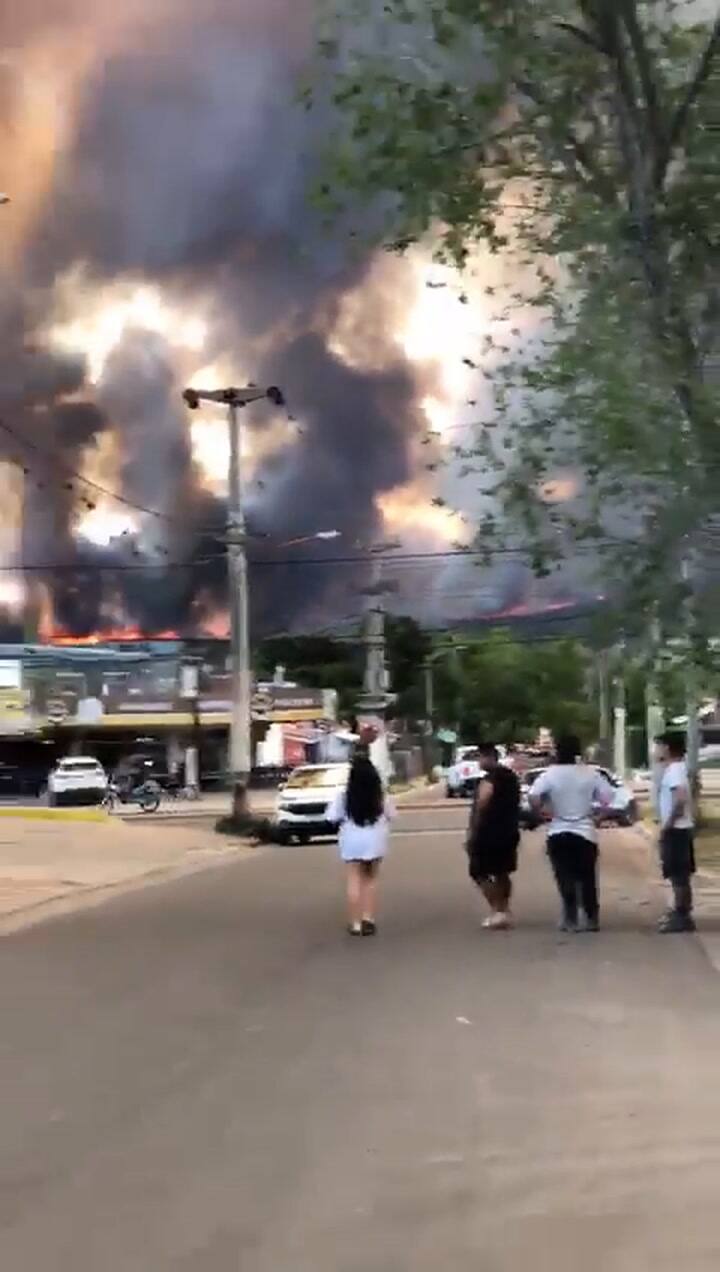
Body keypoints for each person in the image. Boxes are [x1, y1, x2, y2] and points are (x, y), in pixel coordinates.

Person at [529, 736, 614, 932]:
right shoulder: (590, 773)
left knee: (564, 875)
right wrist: (600, 816)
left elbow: (533, 796)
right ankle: (591, 918)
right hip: (585, 831)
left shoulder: (549, 774)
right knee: (587, 877)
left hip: (558, 830)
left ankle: (570, 917)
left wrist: (542, 812)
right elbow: (608, 797)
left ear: (556, 752)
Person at [327, 755, 394, 936]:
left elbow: (332, 817)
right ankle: (368, 919)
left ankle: (355, 923)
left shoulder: (344, 797)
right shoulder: (381, 797)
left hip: (351, 840)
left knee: (354, 879)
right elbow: (392, 815)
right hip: (375, 839)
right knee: (370, 879)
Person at [466, 743, 521, 930]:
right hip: (509, 830)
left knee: (478, 872)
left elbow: (483, 802)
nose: (478, 762)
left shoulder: (490, 779)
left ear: (489, 757)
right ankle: (504, 909)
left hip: (488, 832)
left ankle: (497, 909)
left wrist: (473, 831)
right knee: (502, 872)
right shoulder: (511, 777)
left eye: (480, 757)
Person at [654, 732, 696, 933]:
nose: (656, 751)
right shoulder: (677, 769)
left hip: (676, 830)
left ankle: (681, 916)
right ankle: (682, 914)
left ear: (668, 749)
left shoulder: (674, 771)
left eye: (659, 746)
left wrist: (668, 824)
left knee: (678, 874)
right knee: (679, 874)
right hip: (680, 828)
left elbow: (679, 799)